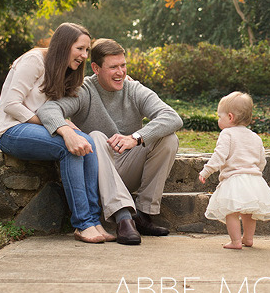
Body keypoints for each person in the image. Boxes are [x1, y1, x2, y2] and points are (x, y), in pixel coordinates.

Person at [37, 38, 183, 245]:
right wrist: (68, 132)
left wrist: (136, 137)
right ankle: (124, 218)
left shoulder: (133, 89)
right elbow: (47, 110)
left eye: (123, 65)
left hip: (127, 165)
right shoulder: (85, 90)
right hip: (96, 173)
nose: (120, 72)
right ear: (96, 68)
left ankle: (143, 214)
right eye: (113, 67)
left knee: (168, 138)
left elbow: (172, 117)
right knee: (95, 136)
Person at [0, 22, 110, 244]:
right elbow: (11, 105)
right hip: (11, 130)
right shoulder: (34, 61)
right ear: (64, 45)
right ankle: (83, 223)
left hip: (37, 128)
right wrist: (58, 127)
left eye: (87, 50)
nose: (84, 55)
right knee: (70, 146)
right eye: (80, 49)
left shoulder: (65, 70)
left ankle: (95, 220)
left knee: (87, 143)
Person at [198, 92, 270, 249]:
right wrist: (256, 175)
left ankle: (236, 241)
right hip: (254, 179)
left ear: (230, 117)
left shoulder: (227, 134)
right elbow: (262, 160)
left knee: (232, 212)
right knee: (248, 212)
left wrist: (206, 171)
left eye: (219, 116)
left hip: (234, 179)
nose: (218, 120)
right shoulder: (255, 137)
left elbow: (219, 156)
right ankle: (248, 238)